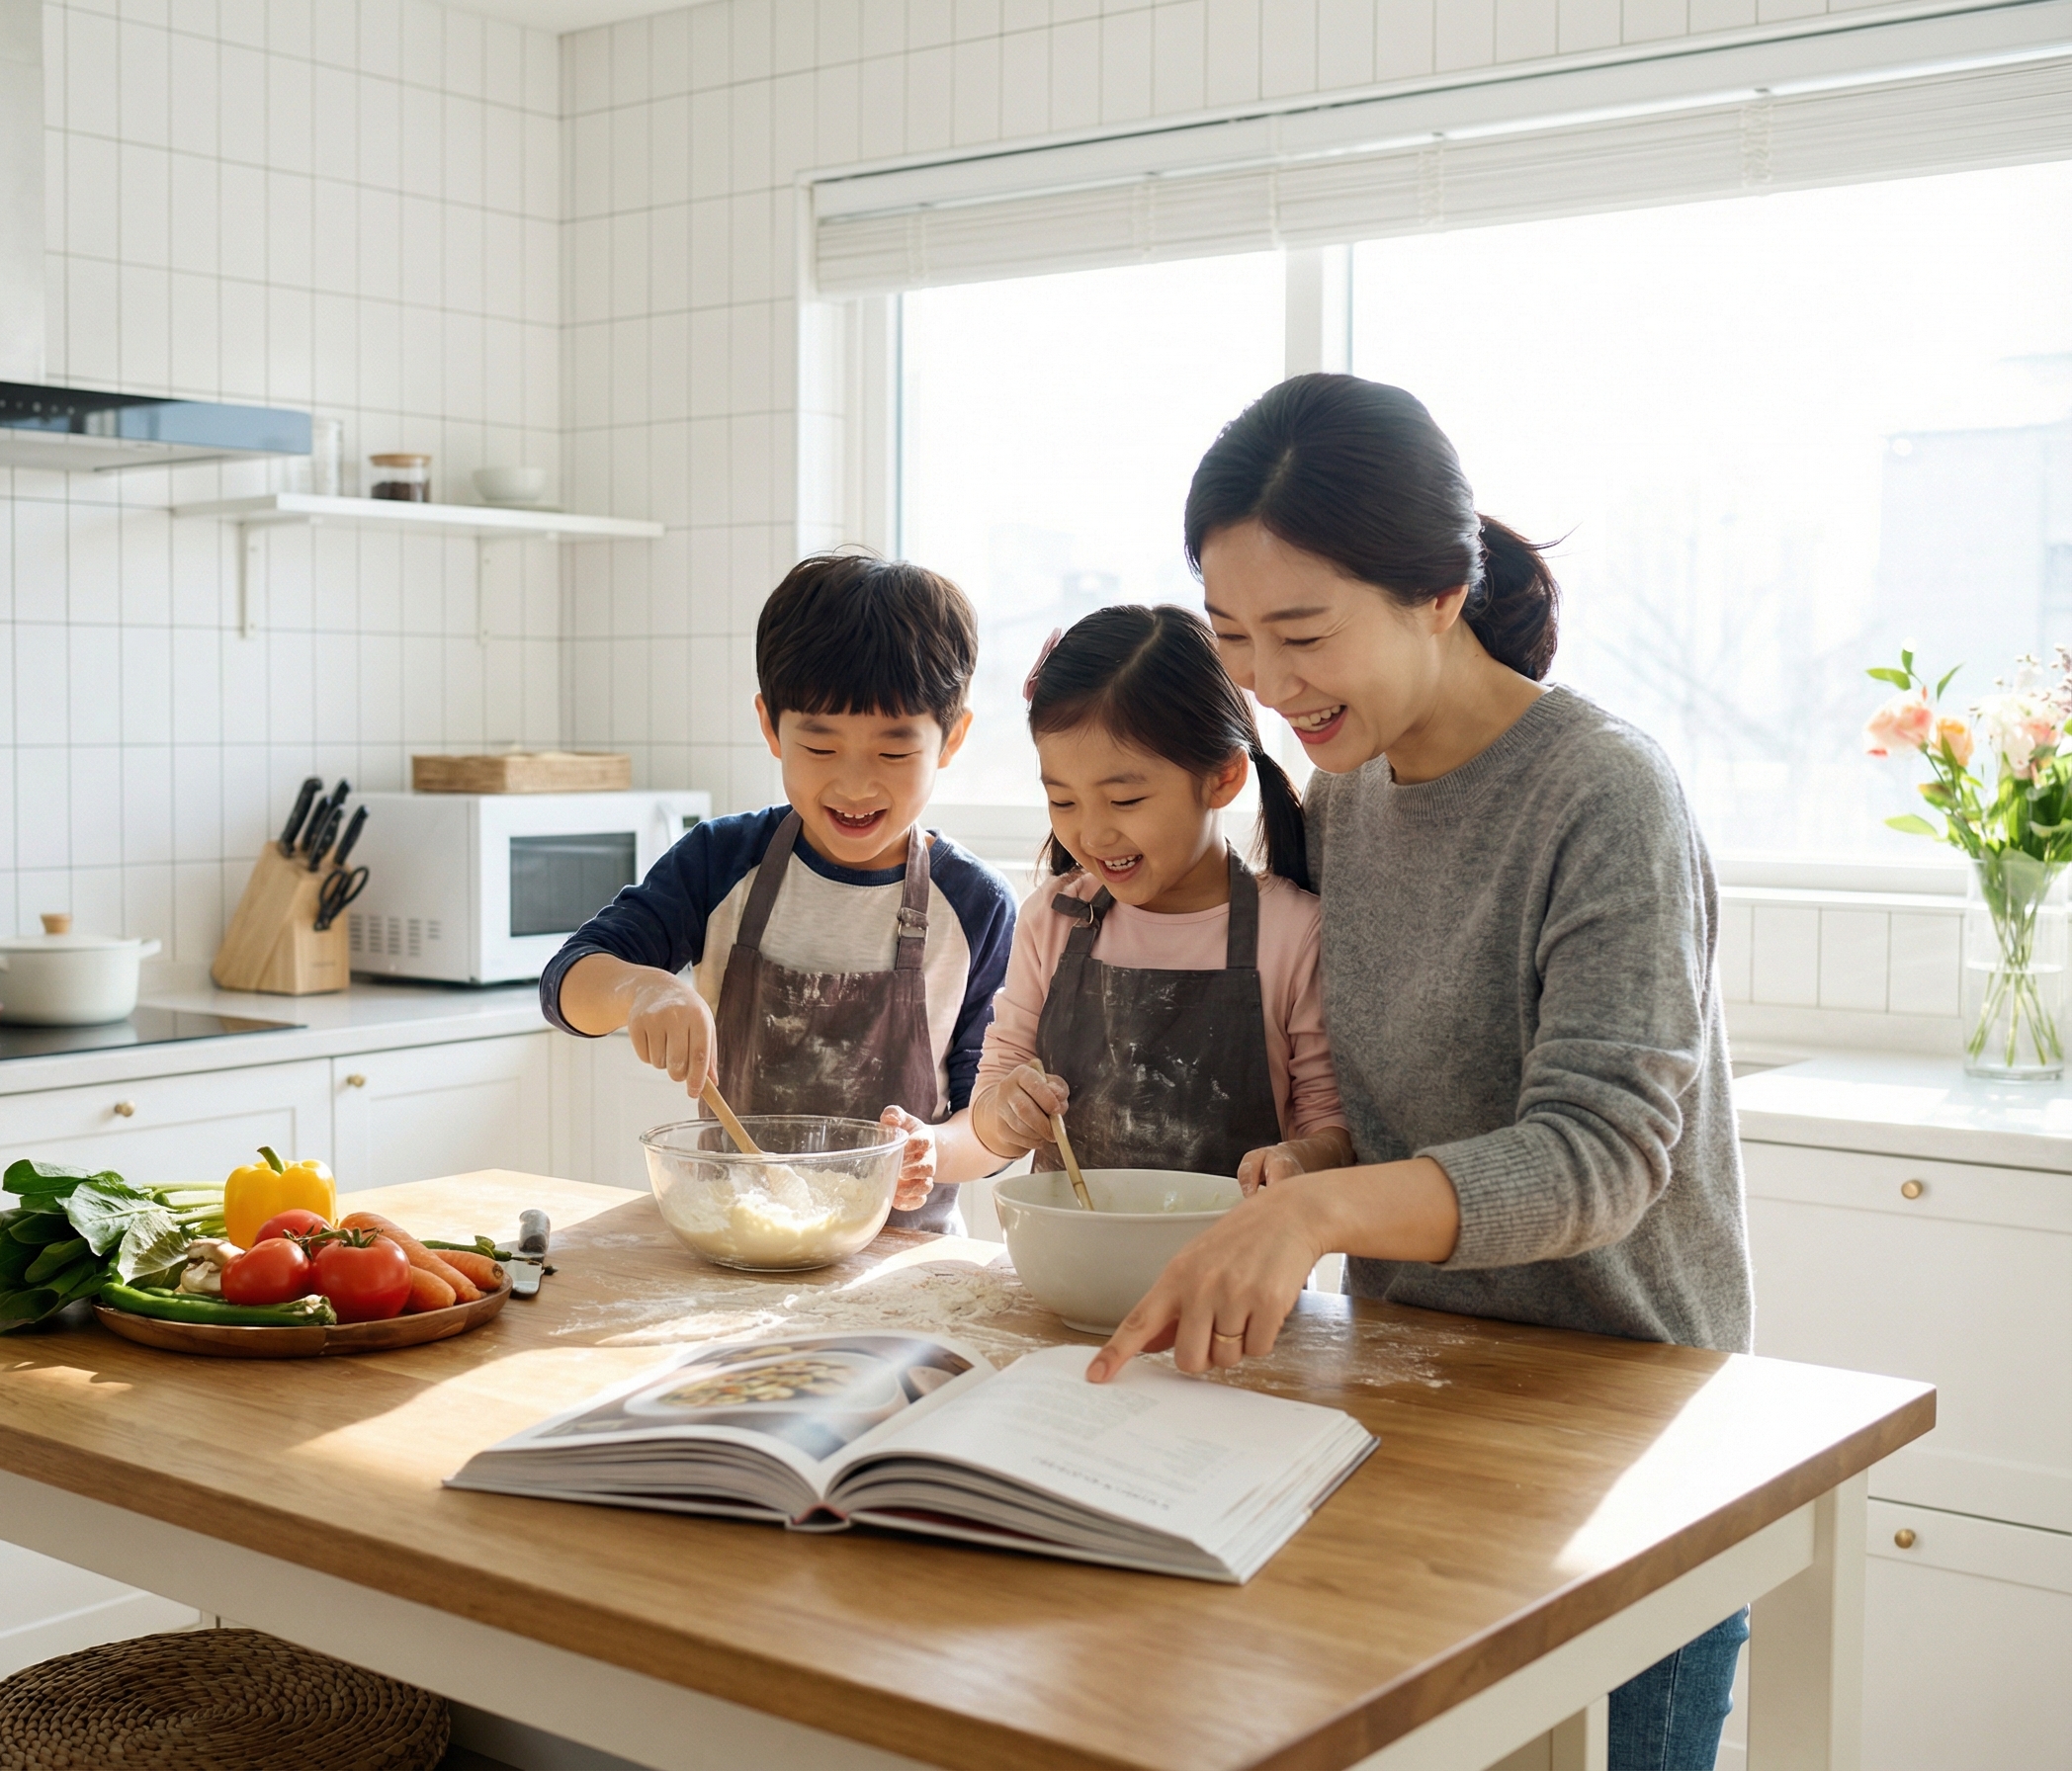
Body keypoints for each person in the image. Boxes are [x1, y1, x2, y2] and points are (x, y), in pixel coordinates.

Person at [1090, 374, 1751, 1771]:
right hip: (1416, 1397)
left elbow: (1602, 1153)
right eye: (1233, 640)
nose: (1268, 687)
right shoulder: (1344, 797)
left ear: (1439, 593)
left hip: (1628, 1423)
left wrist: (1320, 1215)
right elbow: (1392, 1108)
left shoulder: (1603, 793)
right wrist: (1315, 1166)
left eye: (1305, 634)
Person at [541, 551, 1018, 1230]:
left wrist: (934, 1149)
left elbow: (992, 1121)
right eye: (820, 748)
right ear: (771, 726)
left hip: (901, 1266)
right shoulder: (719, 862)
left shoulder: (975, 905)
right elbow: (565, 985)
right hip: (732, 1242)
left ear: (952, 738)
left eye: (892, 751)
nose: (855, 785)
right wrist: (638, 990)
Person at [961, 605, 1353, 1189]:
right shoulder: (1054, 919)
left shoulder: (1294, 934)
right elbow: (992, 1104)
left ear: (1223, 777)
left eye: (1125, 801)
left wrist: (1298, 1161)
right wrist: (1004, 1113)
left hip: (1235, 1272)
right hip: (1069, 1270)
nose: (1092, 835)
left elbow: (1334, 1132)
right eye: (1063, 801)